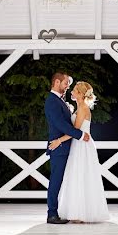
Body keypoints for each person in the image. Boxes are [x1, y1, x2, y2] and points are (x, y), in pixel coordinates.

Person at [50, 80, 110, 223]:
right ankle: (77, 212)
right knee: (77, 176)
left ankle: (81, 214)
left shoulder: (83, 108)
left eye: (75, 91)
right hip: (79, 144)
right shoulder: (79, 107)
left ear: (81, 95)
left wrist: (59, 141)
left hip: (82, 146)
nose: (71, 92)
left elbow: (74, 131)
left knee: (81, 176)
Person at [44, 72, 90, 224]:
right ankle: (51, 214)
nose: (67, 87)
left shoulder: (60, 101)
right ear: (57, 82)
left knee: (65, 180)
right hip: (60, 147)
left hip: (67, 146)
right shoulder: (52, 101)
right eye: (65, 84)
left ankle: (66, 210)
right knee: (56, 180)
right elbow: (61, 124)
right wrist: (80, 135)